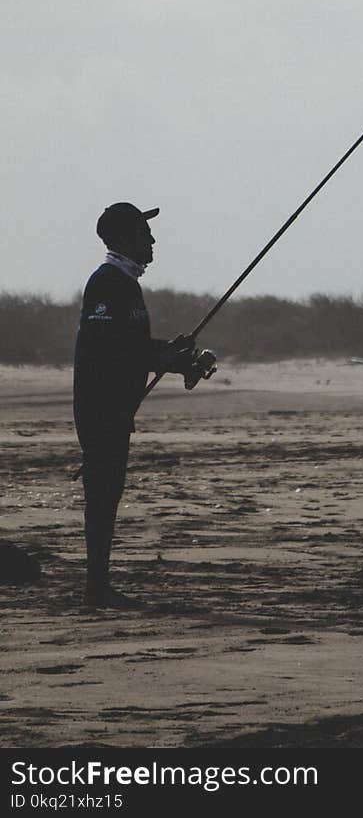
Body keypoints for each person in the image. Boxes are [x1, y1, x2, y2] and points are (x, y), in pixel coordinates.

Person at [73, 202, 196, 610]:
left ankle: (98, 586)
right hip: (100, 407)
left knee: (108, 492)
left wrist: (168, 353)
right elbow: (111, 348)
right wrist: (164, 358)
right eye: (145, 233)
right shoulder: (108, 282)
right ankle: (96, 589)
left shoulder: (125, 283)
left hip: (114, 408)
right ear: (125, 238)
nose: (153, 240)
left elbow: (128, 346)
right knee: (103, 495)